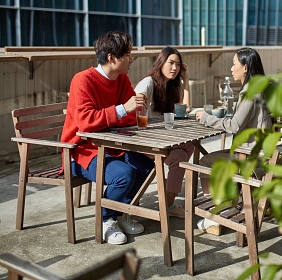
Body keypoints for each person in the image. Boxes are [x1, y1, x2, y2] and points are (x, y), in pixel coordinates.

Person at [61, 31, 154, 245]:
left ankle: (121, 212)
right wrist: (120, 110)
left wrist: (117, 115)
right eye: (128, 55)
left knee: (147, 167)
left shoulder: (122, 80)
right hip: (80, 152)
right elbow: (85, 122)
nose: (132, 60)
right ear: (112, 58)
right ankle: (106, 220)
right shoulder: (82, 80)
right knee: (123, 175)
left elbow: (131, 115)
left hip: (111, 146)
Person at [195, 47, 272, 235]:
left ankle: (213, 216)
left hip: (250, 159)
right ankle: (224, 207)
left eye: (234, 64)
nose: (231, 68)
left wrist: (205, 117)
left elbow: (234, 126)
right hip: (259, 154)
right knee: (219, 158)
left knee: (205, 162)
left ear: (245, 67)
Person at [134, 46, 194, 217]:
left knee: (189, 146)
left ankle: (168, 199)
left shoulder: (170, 86)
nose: (174, 68)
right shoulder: (148, 83)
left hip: (161, 139)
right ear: (160, 62)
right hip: (144, 141)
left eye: (178, 65)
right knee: (179, 156)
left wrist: (186, 79)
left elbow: (185, 109)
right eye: (171, 63)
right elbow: (135, 107)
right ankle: (168, 206)